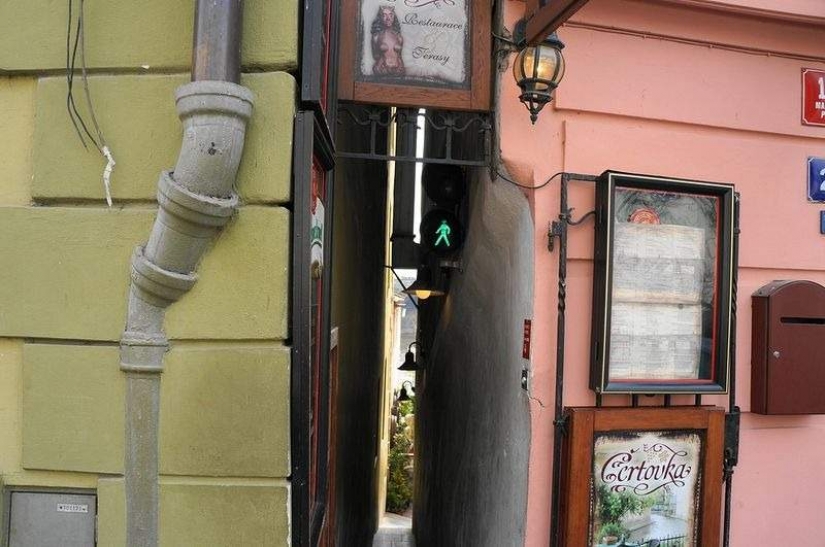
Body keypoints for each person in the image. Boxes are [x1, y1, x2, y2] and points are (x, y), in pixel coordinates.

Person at [371, 6, 405, 76]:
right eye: (384, 15)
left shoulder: (399, 37)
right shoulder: (376, 37)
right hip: (382, 70)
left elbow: (399, 56)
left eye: (390, 15)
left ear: (394, 17)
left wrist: (401, 67)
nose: (388, 18)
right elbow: (375, 56)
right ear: (380, 18)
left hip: (398, 71)